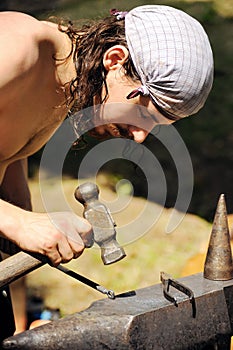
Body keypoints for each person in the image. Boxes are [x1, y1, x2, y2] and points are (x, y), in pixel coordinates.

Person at [0, 4, 213, 340]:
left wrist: (17, 207)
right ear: (115, 60)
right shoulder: (16, 47)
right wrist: (18, 222)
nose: (141, 136)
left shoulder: (65, 88)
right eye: (145, 115)